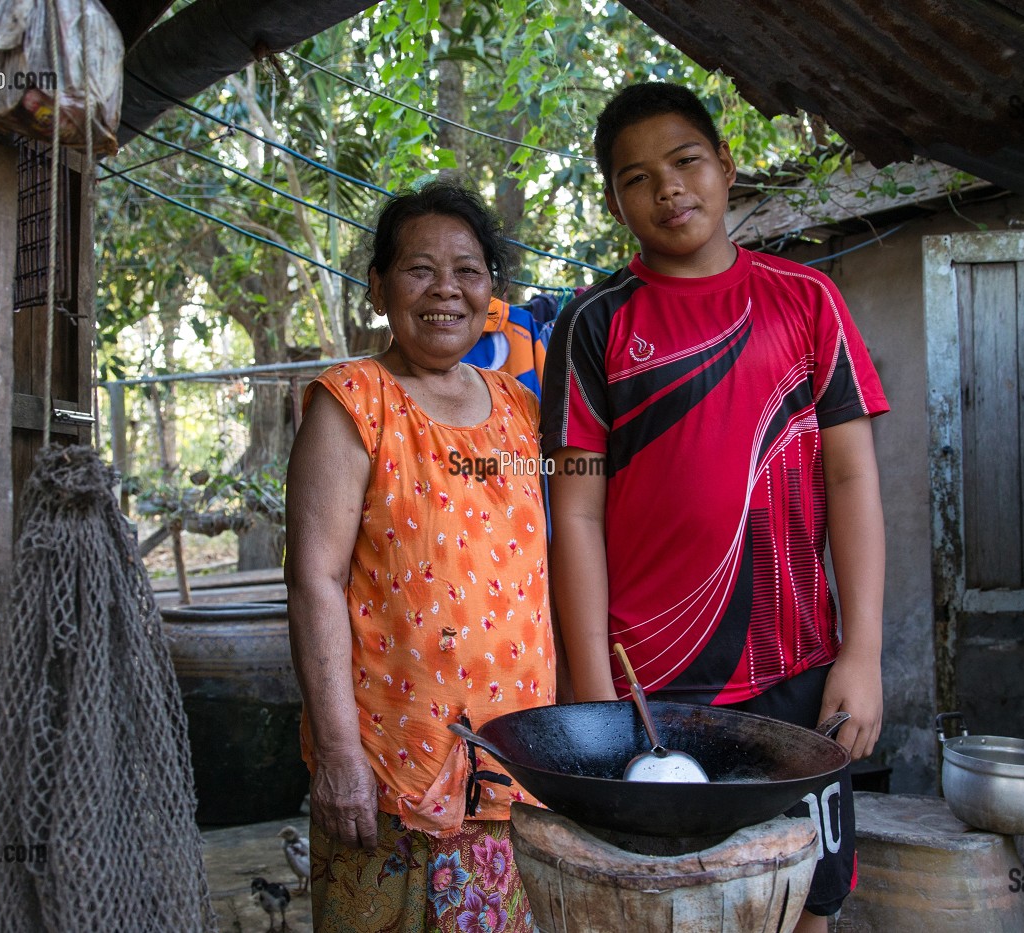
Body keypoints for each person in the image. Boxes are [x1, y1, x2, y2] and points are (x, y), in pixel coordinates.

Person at [541, 82, 887, 930]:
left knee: (808, 901)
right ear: (614, 203)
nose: (667, 188)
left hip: (797, 670)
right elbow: (574, 514)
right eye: (636, 178)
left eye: (685, 161)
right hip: (651, 688)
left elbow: (852, 479)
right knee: (668, 908)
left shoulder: (809, 299)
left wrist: (864, 652)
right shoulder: (592, 323)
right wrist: (598, 705)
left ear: (727, 166)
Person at [285, 181, 555, 933]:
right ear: (378, 287)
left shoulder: (522, 409)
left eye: (467, 270)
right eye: (419, 269)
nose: (446, 289)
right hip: (387, 772)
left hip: (513, 769)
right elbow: (313, 580)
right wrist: (338, 753)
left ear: (491, 292)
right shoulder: (352, 402)